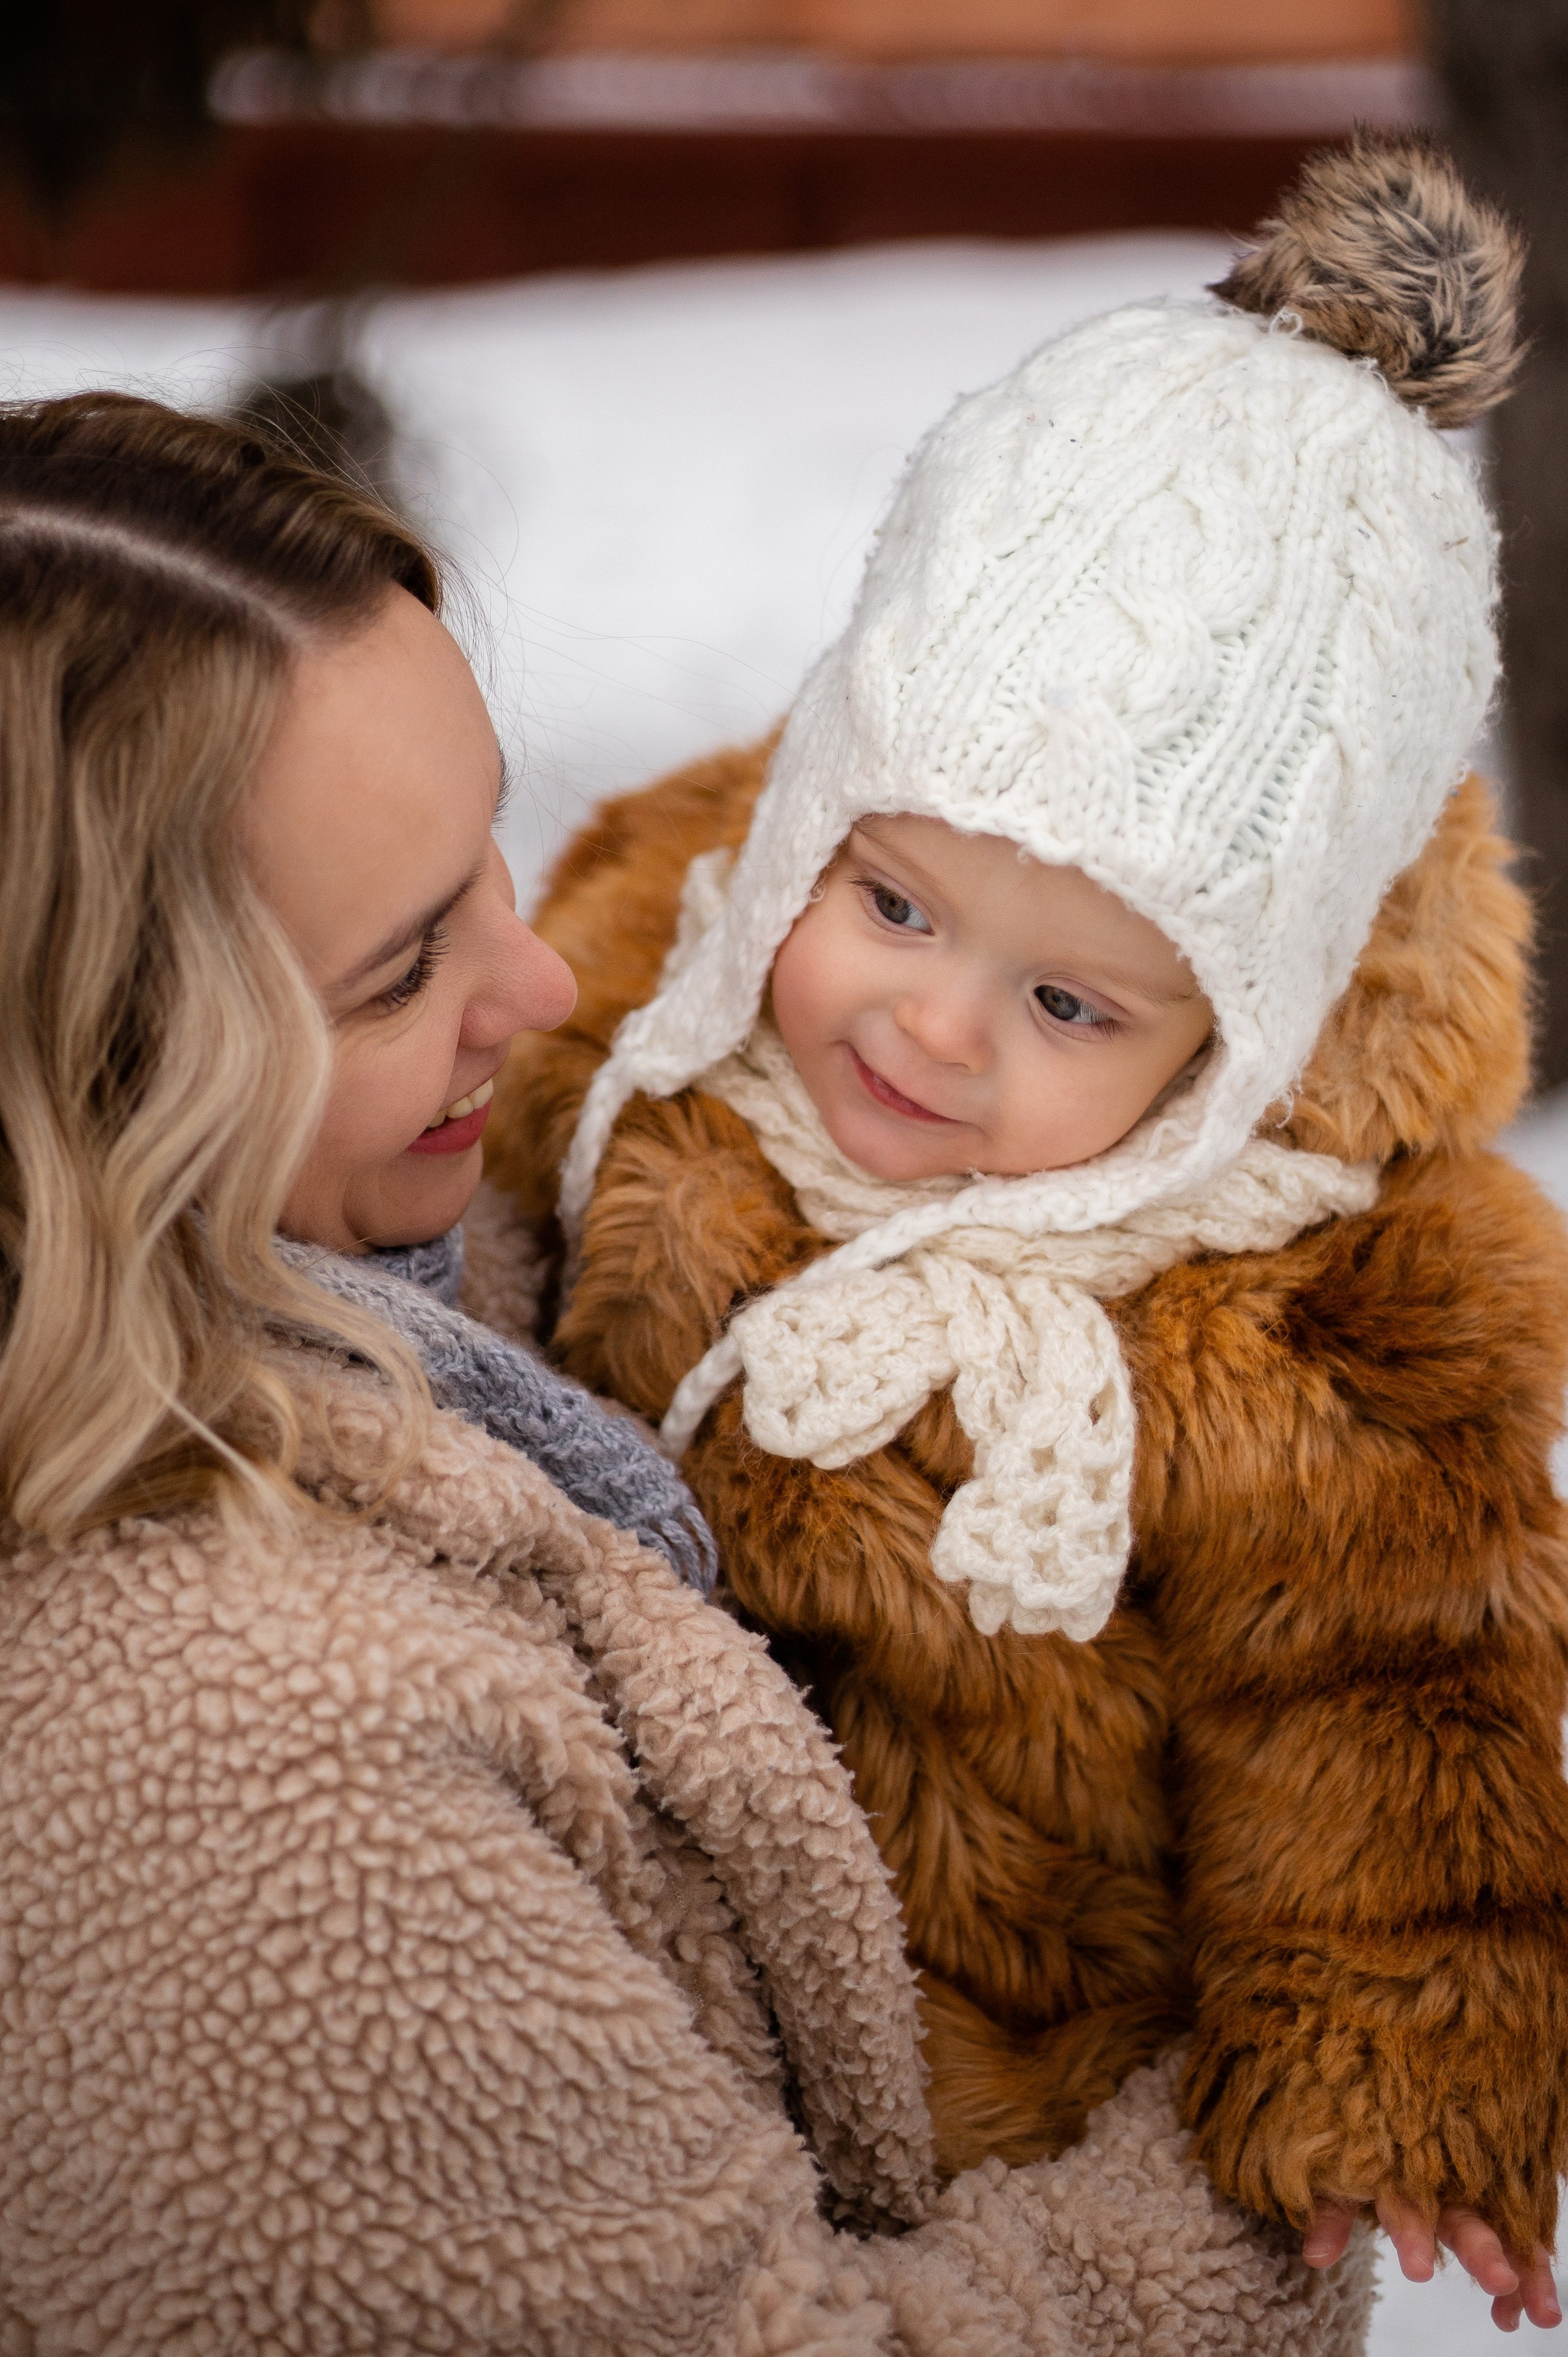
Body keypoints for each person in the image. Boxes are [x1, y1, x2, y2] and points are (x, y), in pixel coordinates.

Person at [0, 393, 1374, 2354]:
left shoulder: (421, 1283)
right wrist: (1256, 2164)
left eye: (489, 848)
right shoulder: (235, 1787)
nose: (545, 983)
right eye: (403, 969)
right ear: (92, 1072)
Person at [486, 139, 1568, 2335]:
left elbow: (1393, 1701)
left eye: (1072, 1006)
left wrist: (1403, 2073)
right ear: (817, 817)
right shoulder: (647, 983)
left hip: (1002, 2084)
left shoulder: (1310, 1314)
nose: (932, 1023)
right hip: (606, 2010)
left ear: (1236, 1046)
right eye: (895, 901)